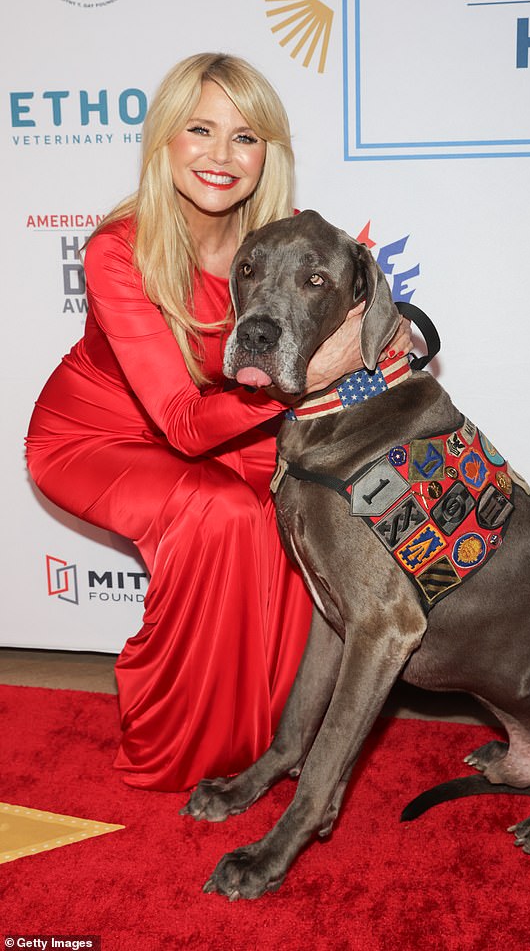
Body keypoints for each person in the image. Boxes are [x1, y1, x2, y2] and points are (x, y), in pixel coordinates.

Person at [25, 52, 411, 793]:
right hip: (100, 436)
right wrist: (318, 373)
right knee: (218, 511)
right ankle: (184, 749)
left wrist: (392, 339)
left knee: (304, 504)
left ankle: (271, 742)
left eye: (245, 136)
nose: (221, 155)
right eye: (200, 128)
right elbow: (179, 420)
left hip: (227, 428)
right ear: (165, 137)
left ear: (269, 153)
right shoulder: (119, 248)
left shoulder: (281, 242)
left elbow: (364, 325)